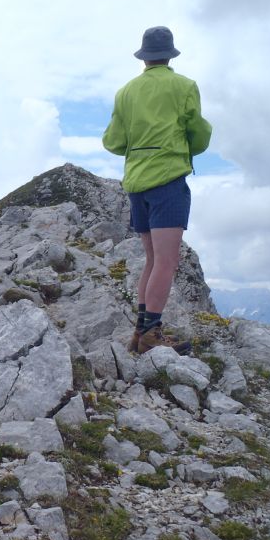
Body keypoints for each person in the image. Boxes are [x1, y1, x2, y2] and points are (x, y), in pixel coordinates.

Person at [103, 26, 212, 355]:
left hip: (136, 183)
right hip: (167, 181)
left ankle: (141, 332)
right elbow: (199, 135)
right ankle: (151, 333)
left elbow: (113, 141)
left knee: (151, 259)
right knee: (167, 262)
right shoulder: (184, 87)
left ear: (144, 57)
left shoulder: (126, 92)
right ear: (170, 54)